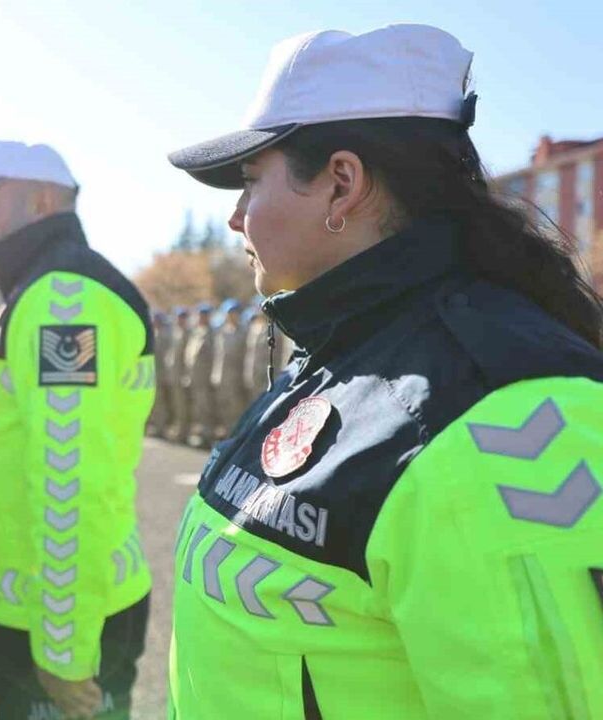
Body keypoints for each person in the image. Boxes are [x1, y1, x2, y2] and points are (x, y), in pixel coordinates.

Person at [165, 24, 603, 718]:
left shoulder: (503, 420)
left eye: (252, 182)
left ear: (342, 184)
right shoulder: (342, 347)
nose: (235, 218)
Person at [0, 140, 153, 720]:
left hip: (59, 624)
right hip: (41, 611)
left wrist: (65, 649)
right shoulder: (39, 292)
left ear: (45, 201)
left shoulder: (64, 299)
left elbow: (69, 481)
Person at [209, 299, 248, 439]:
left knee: (236, 408)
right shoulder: (221, 332)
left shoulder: (243, 332)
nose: (231, 316)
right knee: (222, 406)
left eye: (234, 313)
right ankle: (226, 432)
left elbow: (245, 356)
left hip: (235, 377)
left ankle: (235, 435)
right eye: (229, 313)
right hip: (220, 376)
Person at [180, 303, 215, 447]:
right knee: (196, 407)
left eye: (204, 315)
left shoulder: (212, 333)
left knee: (204, 407)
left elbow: (214, 356)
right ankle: (200, 433)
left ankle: (207, 435)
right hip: (194, 378)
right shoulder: (196, 332)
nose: (201, 318)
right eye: (200, 315)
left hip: (204, 378)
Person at [164, 307, 191, 443]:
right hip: (173, 376)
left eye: (182, 317)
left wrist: (186, 375)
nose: (180, 320)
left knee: (182, 406)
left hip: (181, 376)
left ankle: (183, 431)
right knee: (176, 405)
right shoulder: (175, 333)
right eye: (178, 317)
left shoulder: (188, 334)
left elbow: (187, 358)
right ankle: (178, 428)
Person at [147, 311, 173, 436]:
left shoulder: (164, 335)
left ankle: (161, 427)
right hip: (152, 375)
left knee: (161, 403)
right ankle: (156, 426)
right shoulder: (153, 334)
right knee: (154, 403)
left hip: (161, 374)